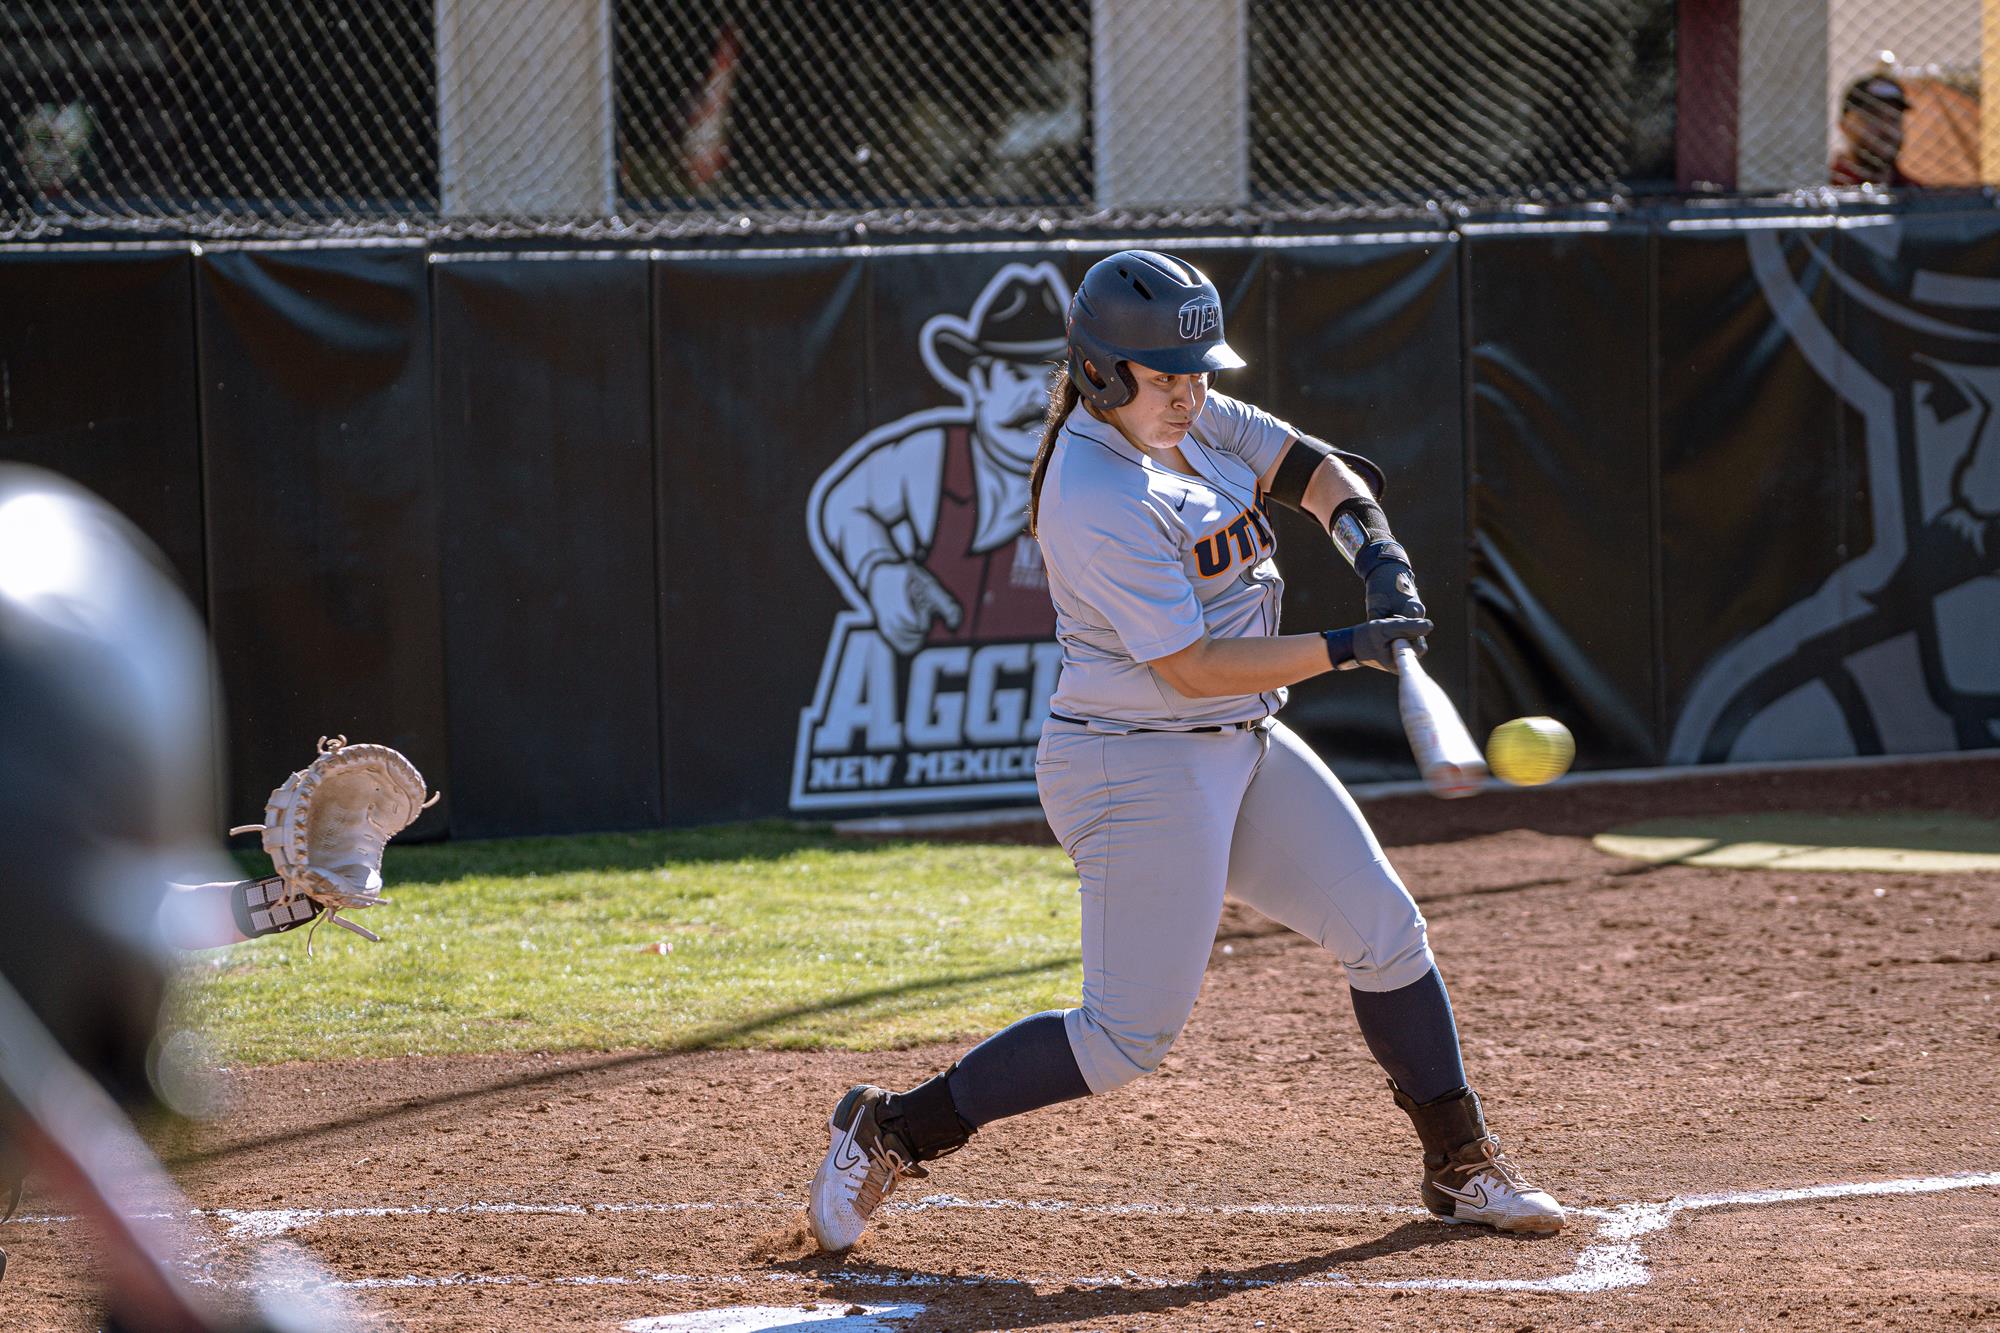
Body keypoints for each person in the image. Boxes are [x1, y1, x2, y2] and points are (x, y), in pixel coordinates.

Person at [806, 250, 1564, 1253]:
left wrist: (1373, 550)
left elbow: (1309, 468)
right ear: (1100, 375)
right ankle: (892, 1127)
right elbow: (1193, 666)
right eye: (1165, 377)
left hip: (1236, 744)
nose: (1189, 392)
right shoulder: (1092, 491)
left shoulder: (1189, 416)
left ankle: (1458, 1163)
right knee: (1123, 1039)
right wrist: (1349, 648)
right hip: (1135, 763)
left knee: (1384, 931)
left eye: (1196, 371)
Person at [1830, 72, 1914, 187]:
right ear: (1844, 126)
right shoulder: (1826, 186)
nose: (1886, 128)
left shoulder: (1916, 194)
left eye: (1894, 118)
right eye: (1872, 117)